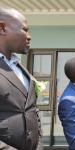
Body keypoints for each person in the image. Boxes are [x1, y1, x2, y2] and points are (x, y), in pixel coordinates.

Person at [0, 6, 42, 150]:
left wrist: (39, 145)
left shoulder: (19, 68)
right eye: (25, 29)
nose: (29, 36)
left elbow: (32, 111)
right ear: (2, 28)